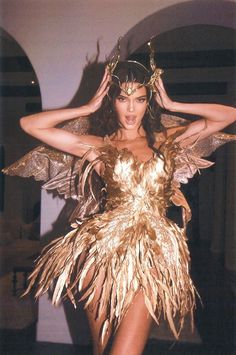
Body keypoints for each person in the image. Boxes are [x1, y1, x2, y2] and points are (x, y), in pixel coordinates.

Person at [3, 46, 236, 355]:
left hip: (152, 254)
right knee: (102, 349)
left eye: (140, 98)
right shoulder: (100, 147)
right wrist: (86, 108)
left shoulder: (167, 140)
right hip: (102, 254)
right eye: (123, 98)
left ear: (148, 102)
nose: (131, 109)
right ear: (111, 100)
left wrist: (173, 102)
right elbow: (31, 125)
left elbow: (229, 115)